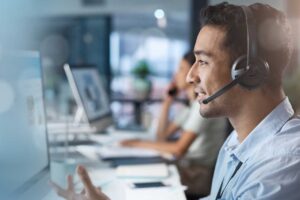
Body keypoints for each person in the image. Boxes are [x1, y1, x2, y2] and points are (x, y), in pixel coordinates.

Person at [51, 2, 300, 200]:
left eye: (202, 61)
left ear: (248, 71)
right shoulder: (238, 141)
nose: (191, 76)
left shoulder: (282, 165)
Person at [121, 52, 226, 196]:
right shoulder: (191, 106)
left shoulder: (201, 107)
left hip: (199, 175)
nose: (177, 74)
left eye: (182, 69)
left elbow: (178, 149)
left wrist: (136, 143)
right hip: (187, 168)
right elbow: (161, 136)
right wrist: (167, 102)